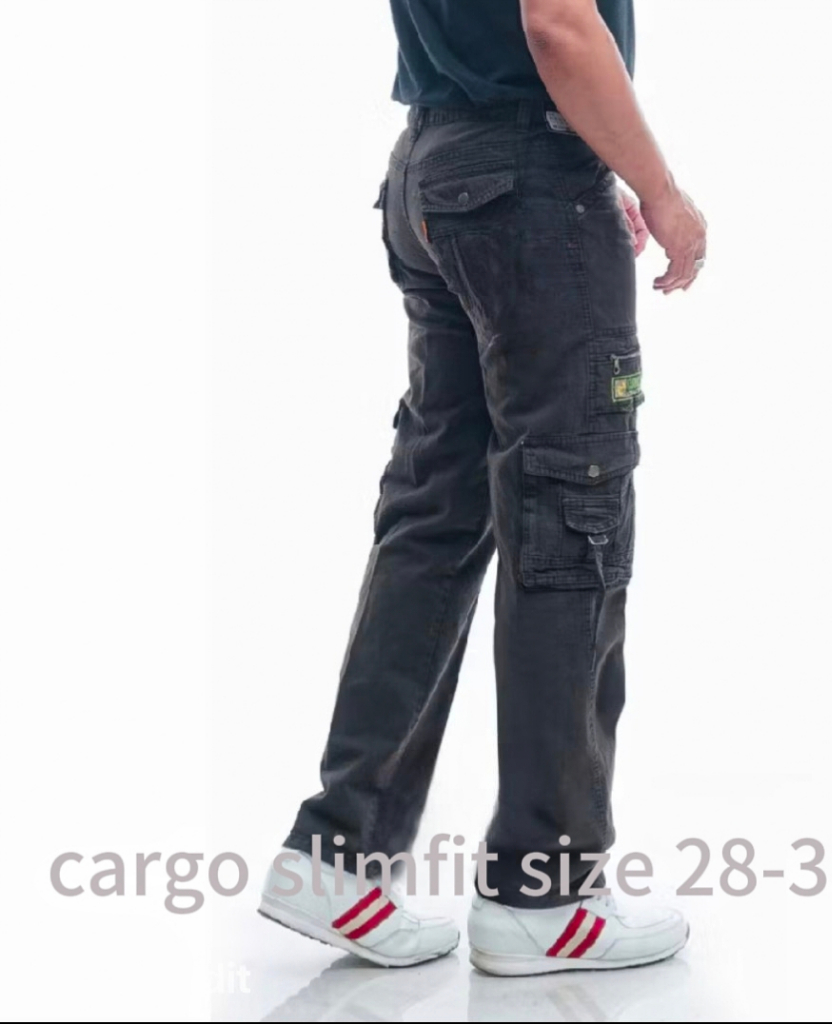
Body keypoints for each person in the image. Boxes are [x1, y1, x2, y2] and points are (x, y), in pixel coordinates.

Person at [259, 0, 706, 977]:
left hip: (436, 168)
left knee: (435, 511)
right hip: (525, 178)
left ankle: (337, 854)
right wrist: (660, 188)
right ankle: (545, 890)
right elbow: (556, 23)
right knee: (571, 515)